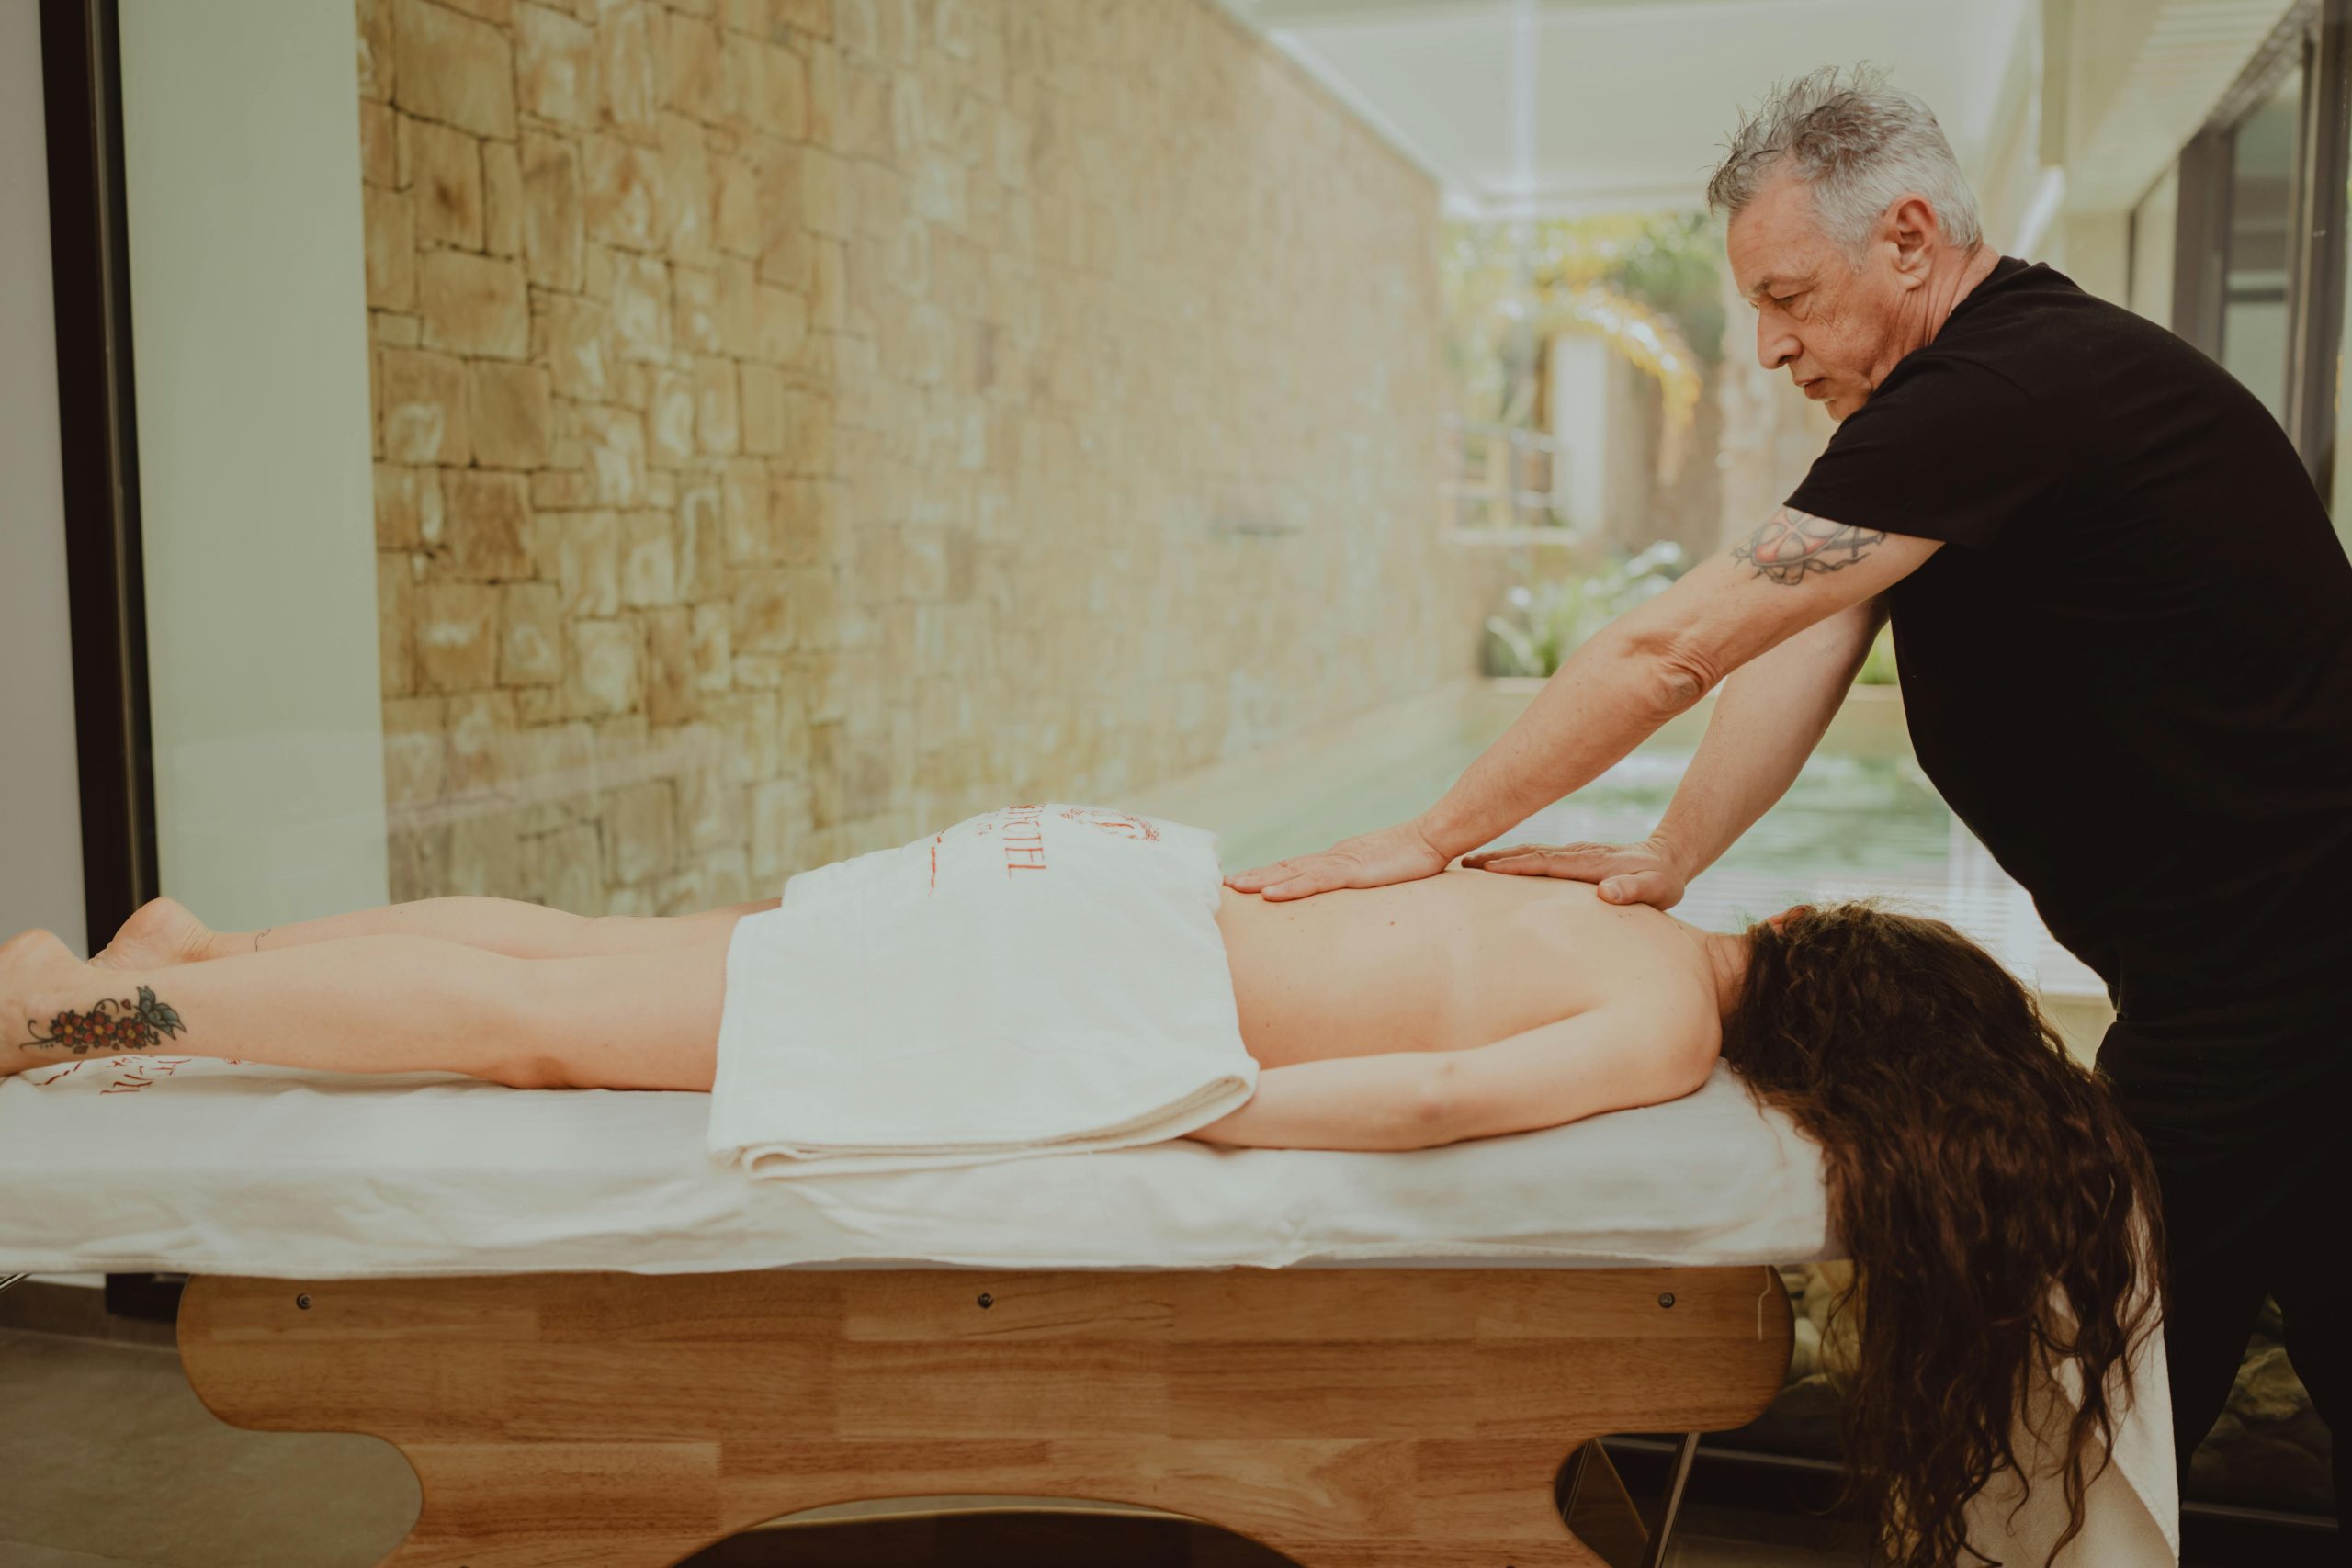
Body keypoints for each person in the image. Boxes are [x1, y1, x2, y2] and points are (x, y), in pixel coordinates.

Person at [1230, 66, 2351, 1521]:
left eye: (1787, 296)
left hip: (2281, 962)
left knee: (2088, 1368)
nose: (1765, 345)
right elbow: (1799, 633)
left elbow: (1671, 643)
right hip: (2258, 954)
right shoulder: (1976, 401)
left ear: (1905, 238)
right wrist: (1672, 852)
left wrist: (1431, 837)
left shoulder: (2005, 392)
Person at [6, 850, 2151, 1564]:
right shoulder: (1649, 1025)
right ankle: (107, 1018)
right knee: (549, 1027)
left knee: (591, 956)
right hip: (1068, 985)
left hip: (1078, 891)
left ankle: (189, 949)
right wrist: (1188, 1120)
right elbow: (1407, 1095)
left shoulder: (1627, 904)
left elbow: (1406, 1009)